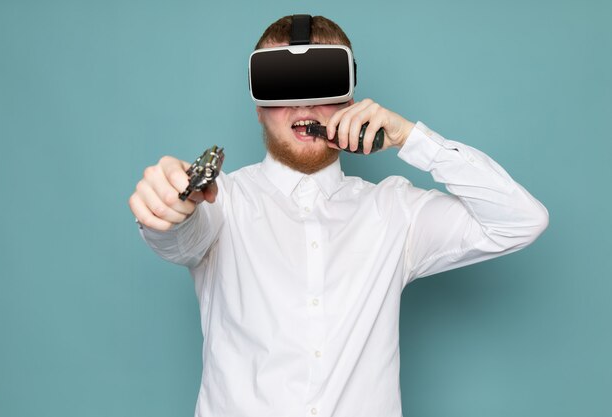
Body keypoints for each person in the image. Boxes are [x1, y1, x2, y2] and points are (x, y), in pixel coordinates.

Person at [128, 15, 548, 417]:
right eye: (283, 87)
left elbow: (520, 221)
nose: (304, 104)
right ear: (258, 106)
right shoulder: (220, 203)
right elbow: (178, 233)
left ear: (349, 99)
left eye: (321, 85)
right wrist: (169, 205)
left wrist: (410, 138)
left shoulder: (396, 212)